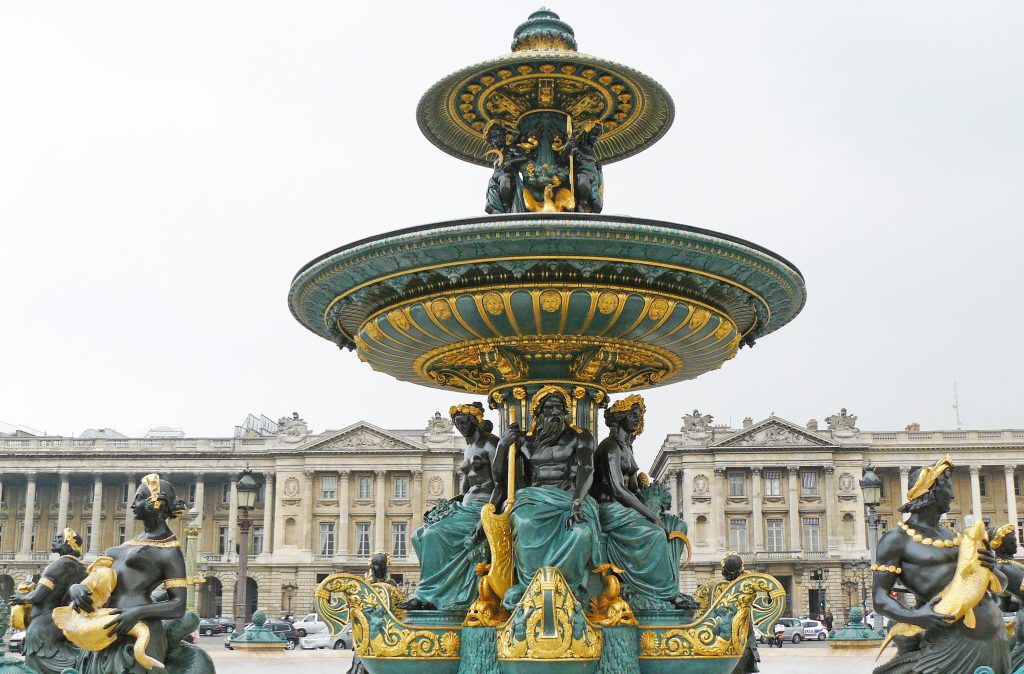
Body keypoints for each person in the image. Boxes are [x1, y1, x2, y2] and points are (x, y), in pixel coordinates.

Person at [871, 456, 1010, 674]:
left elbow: (999, 587)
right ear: (932, 491)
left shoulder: (957, 536)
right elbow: (879, 599)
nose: (953, 495)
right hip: (951, 644)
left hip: (994, 637)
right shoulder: (897, 540)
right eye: (947, 488)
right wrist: (917, 617)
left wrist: (992, 568)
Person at [66, 474, 191, 674]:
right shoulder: (130, 543)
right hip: (103, 627)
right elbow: (99, 580)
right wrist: (76, 588)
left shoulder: (169, 551)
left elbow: (178, 606)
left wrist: (138, 612)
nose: (132, 504)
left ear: (156, 503)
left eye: (139, 498)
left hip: (139, 634)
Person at [493, 386, 601, 609]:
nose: (554, 412)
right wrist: (503, 445)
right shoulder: (523, 441)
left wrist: (577, 503)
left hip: (569, 497)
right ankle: (530, 585)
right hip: (533, 498)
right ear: (538, 413)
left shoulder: (581, 438)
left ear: (566, 412)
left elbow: (587, 470)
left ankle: (568, 590)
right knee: (524, 522)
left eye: (559, 407)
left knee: (580, 533)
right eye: (548, 407)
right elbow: (500, 477)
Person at [591, 394, 692, 609]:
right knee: (655, 533)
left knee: (677, 525)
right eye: (633, 415)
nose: (638, 420)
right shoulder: (610, 447)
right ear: (619, 418)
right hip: (609, 510)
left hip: (623, 508)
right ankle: (666, 593)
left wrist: (652, 501)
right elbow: (618, 490)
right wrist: (652, 516)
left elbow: (633, 490)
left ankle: (670, 584)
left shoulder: (627, 448)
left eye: (639, 416)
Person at [399, 403, 497, 611]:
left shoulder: (490, 444)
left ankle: (427, 596)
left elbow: (503, 484)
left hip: (483, 507)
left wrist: (487, 516)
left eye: (463, 423)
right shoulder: (468, 448)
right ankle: (438, 591)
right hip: (467, 506)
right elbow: (466, 490)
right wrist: (446, 506)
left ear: (475, 421)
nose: (460, 427)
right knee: (418, 535)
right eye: (457, 423)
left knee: (434, 534)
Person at [8, 529, 87, 674]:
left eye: (58, 538)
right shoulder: (82, 569)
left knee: (36, 668)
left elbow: (37, 596)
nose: (54, 540)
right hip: (61, 624)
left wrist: (21, 597)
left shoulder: (57, 565)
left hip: (42, 627)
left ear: (67, 542)